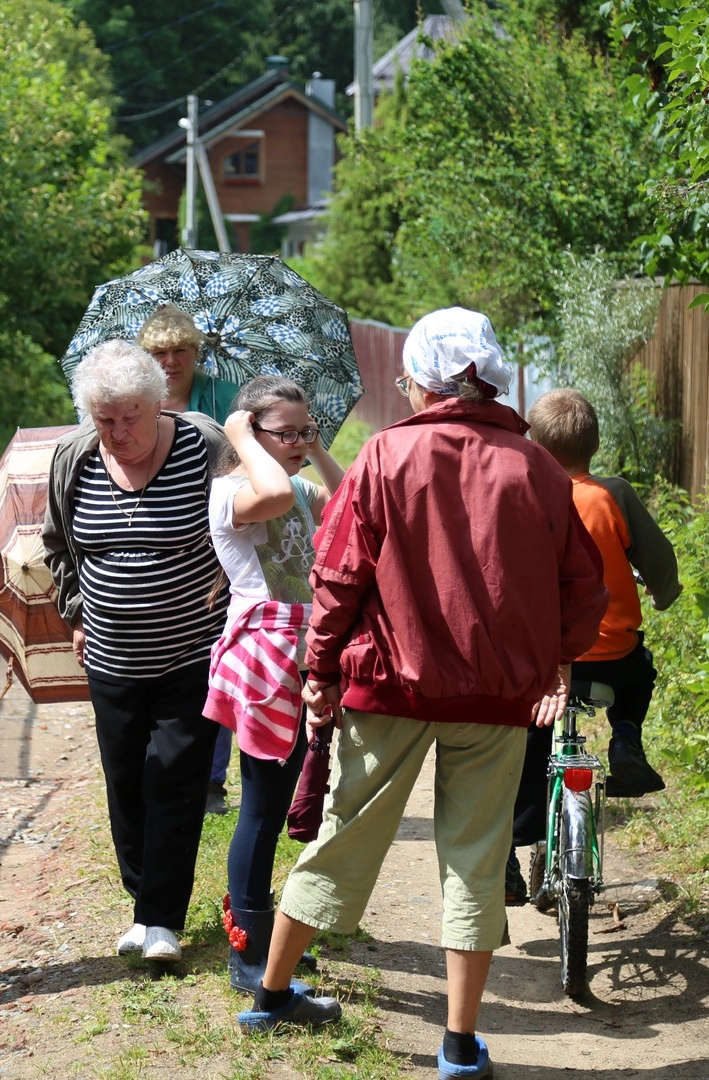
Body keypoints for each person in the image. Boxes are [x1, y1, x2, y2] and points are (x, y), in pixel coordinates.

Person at [236, 308, 608, 1080]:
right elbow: (584, 587)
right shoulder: (537, 466)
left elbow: (338, 576)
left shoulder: (384, 456)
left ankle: (271, 997)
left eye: (407, 377)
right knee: (475, 861)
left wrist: (320, 670)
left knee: (344, 837)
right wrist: (552, 660)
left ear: (426, 381)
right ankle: (460, 1044)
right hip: (498, 699)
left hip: (390, 684)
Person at [40, 339, 231, 963]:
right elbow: (58, 545)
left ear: (159, 405)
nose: (119, 432)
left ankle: (161, 920)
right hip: (111, 656)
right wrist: (74, 611)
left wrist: (234, 572)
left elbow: (250, 516)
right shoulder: (74, 459)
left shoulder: (203, 446)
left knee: (173, 779)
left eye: (131, 418)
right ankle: (141, 902)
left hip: (192, 652)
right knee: (125, 782)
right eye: (105, 420)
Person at [508, 388, 682, 893]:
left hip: (545, 658)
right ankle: (626, 737)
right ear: (596, 444)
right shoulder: (613, 494)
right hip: (610, 656)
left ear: (535, 446)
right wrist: (660, 589)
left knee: (526, 733)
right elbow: (660, 559)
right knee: (639, 673)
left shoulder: (524, 492)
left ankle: (505, 854)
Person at [203, 376, 344, 994]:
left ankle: (268, 940)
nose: (296, 442)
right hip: (263, 656)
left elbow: (354, 501)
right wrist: (239, 435)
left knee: (282, 797)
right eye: (283, 432)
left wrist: (316, 448)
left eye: (304, 430)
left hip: (305, 652)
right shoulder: (233, 491)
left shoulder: (299, 482)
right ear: (249, 432)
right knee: (260, 809)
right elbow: (278, 495)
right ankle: (247, 947)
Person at [137, 302, 241, 814]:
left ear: (197, 353)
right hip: (154, 539)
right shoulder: (135, 403)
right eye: (159, 351)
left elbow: (246, 459)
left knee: (213, 654)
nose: (171, 361)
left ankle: (211, 780)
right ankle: (157, 767)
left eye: (181, 350)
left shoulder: (223, 398)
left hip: (217, 537)